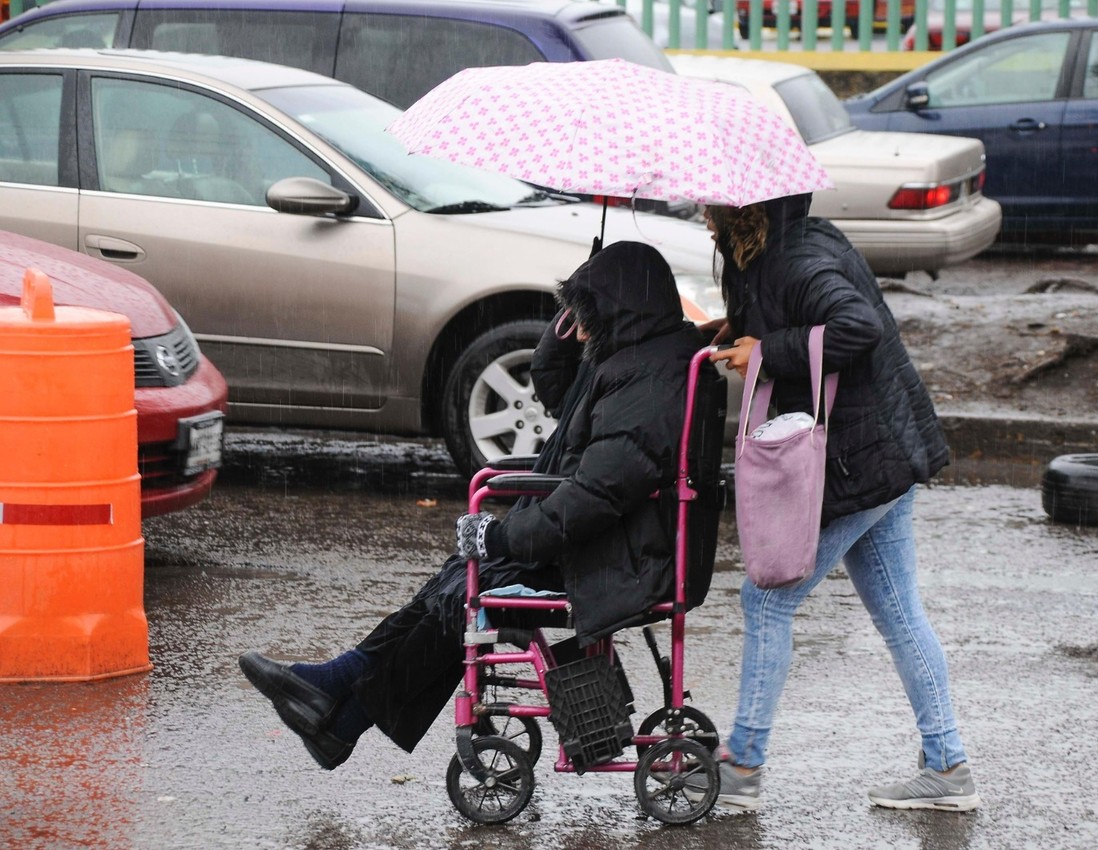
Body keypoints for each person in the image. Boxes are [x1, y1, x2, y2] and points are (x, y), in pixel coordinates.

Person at [238, 241, 717, 769]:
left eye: (587, 317)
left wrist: (507, 536)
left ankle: (340, 711)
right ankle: (336, 699)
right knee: (453, 583)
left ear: (618, 310)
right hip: (609, 544)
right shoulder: (633, 356)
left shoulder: (645, 382)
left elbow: (598, 494)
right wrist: (577, 301)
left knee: (465, 592)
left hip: (617, 561)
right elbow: (555, 383)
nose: (579, 331)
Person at [686, 195, 979, 813]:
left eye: (711, 209)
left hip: (859, 459)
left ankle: (741, 765)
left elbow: (855, 327)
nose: (703, 218)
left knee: (767, 599)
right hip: (877, 453)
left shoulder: (800, 256)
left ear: (743, 212)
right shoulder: (769, 252)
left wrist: (766, 352)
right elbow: (788, 317)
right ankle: (948, 766)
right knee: (899, 615)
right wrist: (735, 331)